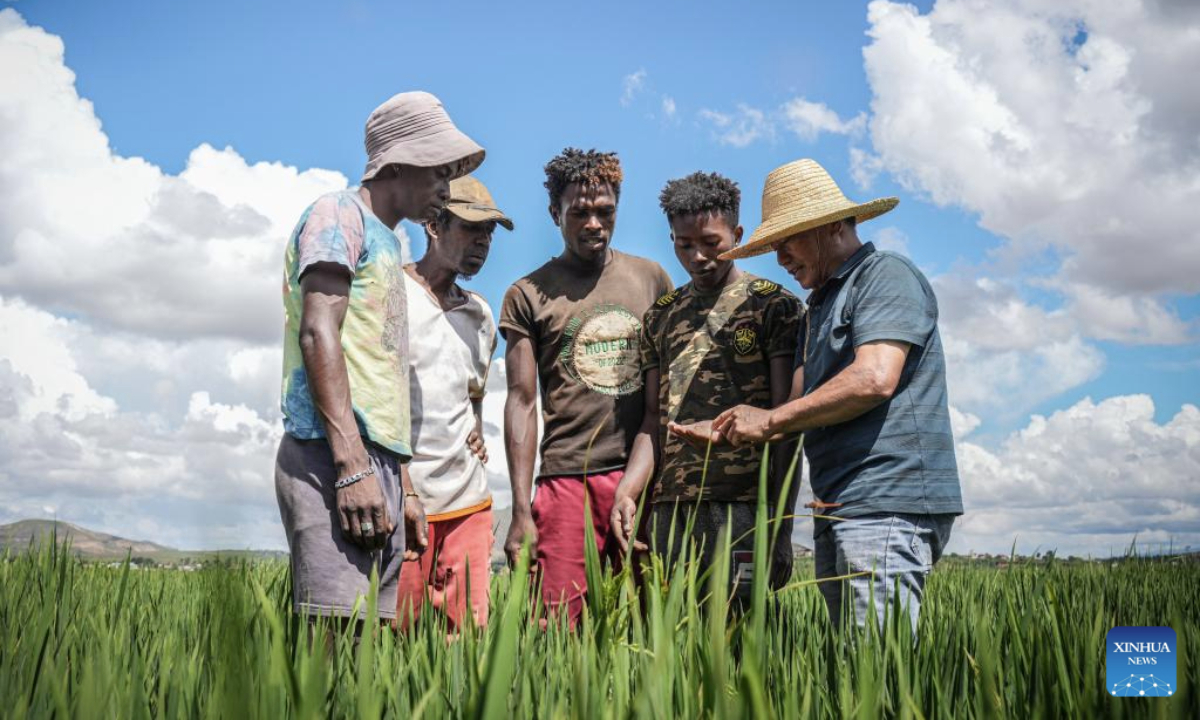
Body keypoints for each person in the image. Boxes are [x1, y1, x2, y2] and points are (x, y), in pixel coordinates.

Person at [673, 158, 964, 633]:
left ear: (830, 226)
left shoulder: (883, 276)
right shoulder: (821, 304)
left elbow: (874, 378)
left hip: (885, 504)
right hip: (840, 506)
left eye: (787, 241)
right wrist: (730, 426)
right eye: (773, 247)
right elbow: (790, 409)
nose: (780, 258)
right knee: (850, 671)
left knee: (876, 669)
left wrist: (767, 421)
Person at [274, 91, 484, 624]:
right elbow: (319, 333)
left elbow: (382, 378)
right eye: (438, 170)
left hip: (377, 464)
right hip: (333, 454)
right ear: (397, 163)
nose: (445, 186)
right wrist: (351, 468)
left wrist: (402, 484)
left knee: (368, 651)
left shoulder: (390, 244)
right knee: (333, 639)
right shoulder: (336, 213)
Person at [609, 171, 803, 604]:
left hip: (744, 508)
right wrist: (629, 489)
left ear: (737, 234)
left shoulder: (775, 306)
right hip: (670, 509)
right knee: (671, 643)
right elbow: (653, 421)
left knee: (738, 643)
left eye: (711, 243)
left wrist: (781, 524)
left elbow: (787, 427)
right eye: (683, 244)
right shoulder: (660, 317)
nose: (697, 256)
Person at [500, 148, 673, 626]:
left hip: (642, 478)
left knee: (649, 628)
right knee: (557, 631)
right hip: (565, 480)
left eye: (605, 211)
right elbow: (521, 401)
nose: (594, 223)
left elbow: (665, 399)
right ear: (555, 213)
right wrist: (520, 509)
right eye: (579, 212)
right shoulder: (526, 294)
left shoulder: (651, 279)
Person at [396, 175, 511, 632]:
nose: (482, 242)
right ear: (433, 224)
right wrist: (402, 489)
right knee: (392, 637)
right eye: (470, 228)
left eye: (489, 233)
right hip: (403, 499)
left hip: (468, 500)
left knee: (465, 640)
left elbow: (473, 393)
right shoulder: (392, 295)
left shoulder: (480, 315)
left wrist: (478, 429)